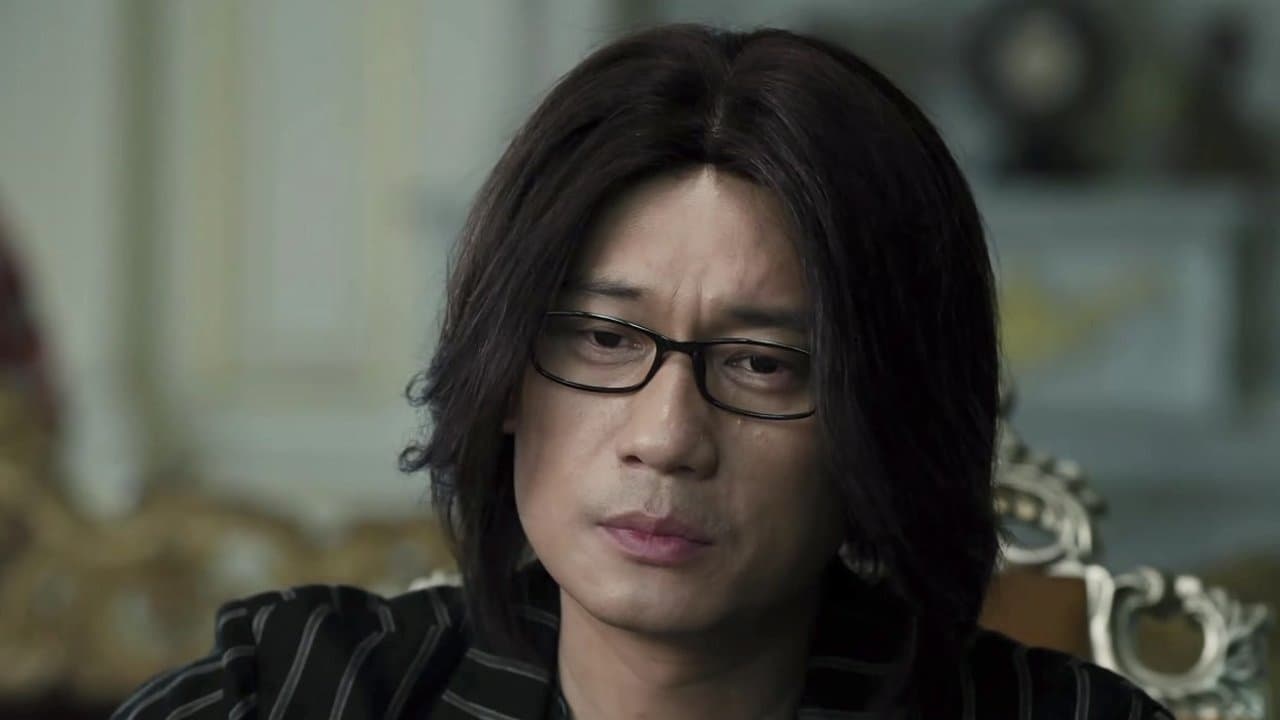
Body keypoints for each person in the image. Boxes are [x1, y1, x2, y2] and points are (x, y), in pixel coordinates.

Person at [113, 24, 1172, 720]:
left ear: (877, 418)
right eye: (604, 340)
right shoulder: (290, 694)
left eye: (761, 364)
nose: (665, 437)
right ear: (506, 375)